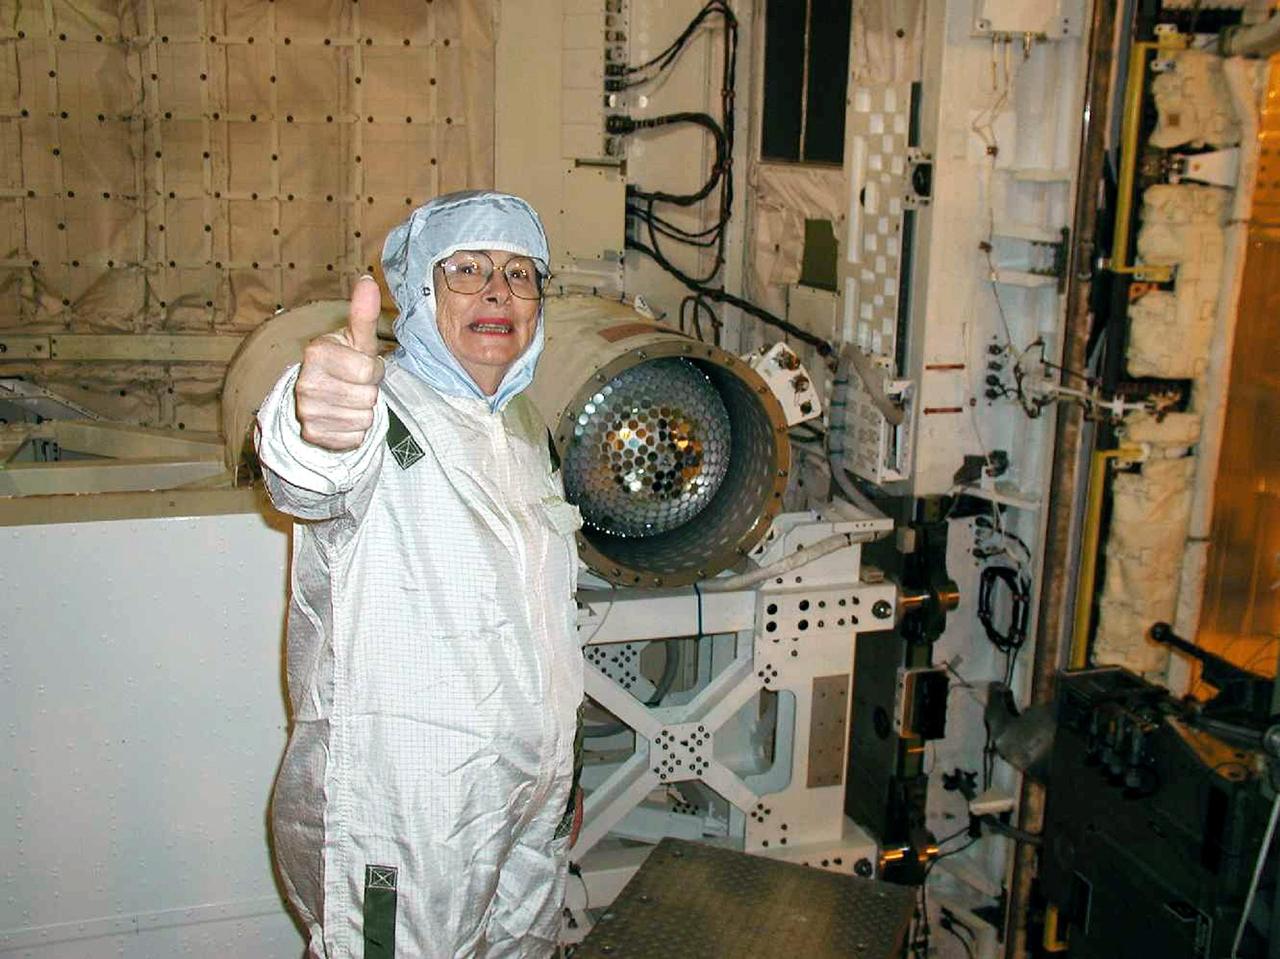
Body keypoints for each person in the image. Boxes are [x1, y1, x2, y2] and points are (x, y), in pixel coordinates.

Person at [256, 190, 584, 959]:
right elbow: (311, 471)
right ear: (420, 291)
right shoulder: (379, 405)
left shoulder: (522, 427)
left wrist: (560, 772)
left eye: (519, 272)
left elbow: (542, 624)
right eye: (466, 269)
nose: (498, 291)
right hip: (405, 810)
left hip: (527, 797)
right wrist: (313, 424)